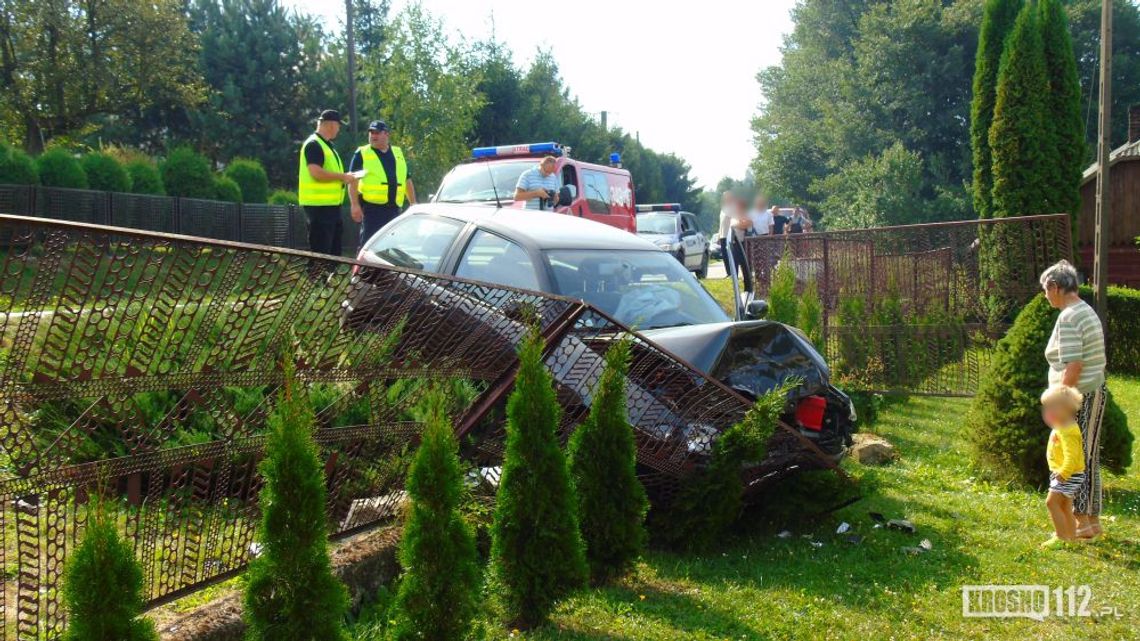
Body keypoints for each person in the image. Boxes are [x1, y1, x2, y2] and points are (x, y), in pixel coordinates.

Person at [1040, 260, 1107, 540]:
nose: (1045, 295)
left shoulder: (1069, 317)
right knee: (1087, 456)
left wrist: (1060, 404)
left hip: (1079, 396)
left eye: (1045, 290)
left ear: (1056, 287)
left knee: (1076, 458)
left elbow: (1074, 365)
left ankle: (1082, 523)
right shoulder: (1085, 309)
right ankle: (1089, 522)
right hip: (1092, 392)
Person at [348, 120, 416, 248]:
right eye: (371, 133)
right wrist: (354, 205)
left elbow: (407, 179)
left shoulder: (398, 152)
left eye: (377, 133)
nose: (373, 136)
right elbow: (352, 181)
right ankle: (363, 269)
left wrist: (413, 203)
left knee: (390, 248)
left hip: (394, 210)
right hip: (372, 211)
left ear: (386, 134)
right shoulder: (362, 153)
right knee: (368, 246)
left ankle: (384, 269)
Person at [298, 109, 357, 256]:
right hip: (319, 207)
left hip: (330, 207)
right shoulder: (314, 144)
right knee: (321, 251)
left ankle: (329, 277)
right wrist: (342, 177)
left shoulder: (328, 146)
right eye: (338, 126)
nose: (339, 130)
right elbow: (315, 172)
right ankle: (317, 278)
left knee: (333, 250)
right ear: (331, 125)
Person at [1040, 385, 1086, 548]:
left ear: (1065, 409)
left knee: (1051, 503)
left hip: (1068, 474)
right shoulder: (1063, 425)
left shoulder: (1068, 431)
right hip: (1070, 473)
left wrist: (1064, 472)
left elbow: (1072, 456)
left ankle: (1061, 537)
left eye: (1051, 408)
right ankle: (1071, 537)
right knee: (1065, 505)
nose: (1048, 412)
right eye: (1046, 407)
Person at [717, 193, 752, 292]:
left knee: (745, 265)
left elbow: (748, 223)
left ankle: (748, 287)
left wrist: (743, 222)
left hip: (742, 242)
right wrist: (719, 234)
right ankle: (733, 284)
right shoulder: (727, 211)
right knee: (732, 262)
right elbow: (730, 223)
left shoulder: (739, 212)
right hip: (731, 240)